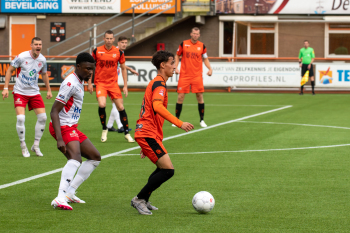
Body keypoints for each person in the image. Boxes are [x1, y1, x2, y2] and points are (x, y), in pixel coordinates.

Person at [131, 51, 194, 215]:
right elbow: (157, 107)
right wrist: (179, 123)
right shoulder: (159, 84)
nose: (175, 66)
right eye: (172, 63)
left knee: (162, 168)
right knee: (168, 170)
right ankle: (139, 199)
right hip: (147, 132)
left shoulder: (158, 83)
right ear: (162, 65)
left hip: (148, 133)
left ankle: (144, 198)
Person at [50, 52, 101, 210]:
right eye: (87, 69)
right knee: (75, 159)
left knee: (95, 157)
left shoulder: (80, 80)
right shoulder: (70, 83)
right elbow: (54, 111)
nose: (90, 72)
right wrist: (59, 138)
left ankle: (69, 193)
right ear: (77, 66)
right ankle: (60, 197)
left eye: (92, 69)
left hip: (71, 127)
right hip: (63, 126)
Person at [2, 37, 52, 157]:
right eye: (36, 44)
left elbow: (44, 74)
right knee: (20, 119)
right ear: (31, 45)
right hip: (20, 92)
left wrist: (49, 90)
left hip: (34, 93)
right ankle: (23, 146)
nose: (38, 46)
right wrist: (5, 88)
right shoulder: (22, 57)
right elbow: (9, 70)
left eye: (40, 44)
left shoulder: (42, 60)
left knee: (43, 118)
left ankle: (35, 146)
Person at [89, 30, 134, 143]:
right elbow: (90, 66)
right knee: (102, 104)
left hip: (113, 84)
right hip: (100, 83)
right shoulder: (97, 51)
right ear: (104, 39)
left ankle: (127, 133)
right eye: (107, 38)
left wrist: (125, 86)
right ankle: (105, 129)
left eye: (111, 38)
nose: (109, 40)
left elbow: (123, 68)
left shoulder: (119, 52)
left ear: (114, 40)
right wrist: (89, 83)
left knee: (121, 107)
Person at [174, 27, 213, 128]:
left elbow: (205, 59)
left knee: (199, 96)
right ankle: (176, 120)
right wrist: (176, 67)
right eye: (194, 33)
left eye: (197, 34)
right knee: (180, 96)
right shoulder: (183, 44)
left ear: (199, 35)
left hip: (197, 75)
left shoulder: (202, 46)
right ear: (190, 34)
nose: (195, 35)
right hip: (184, 75)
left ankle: (202, 120)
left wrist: (210, 69)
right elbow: (177, 55)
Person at [107, 36, 139, 133]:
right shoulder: (114, 51)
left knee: (116, 104)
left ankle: (109, 125)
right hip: (108, 82)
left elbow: (122, 65)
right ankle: (121, 126)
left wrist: (130, 69)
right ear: (118, 43)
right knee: (117, 104)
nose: (124, 44)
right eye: (122, 42)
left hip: (114, 81)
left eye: (126, 42)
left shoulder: (121, 52)